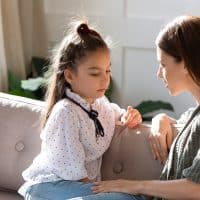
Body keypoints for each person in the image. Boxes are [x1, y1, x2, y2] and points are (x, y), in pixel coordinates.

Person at [18, 20, 142, 200]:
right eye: (94, 73)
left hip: (76, 187)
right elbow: (73, 172)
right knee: (125, 198)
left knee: (132, 197)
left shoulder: (100, 103)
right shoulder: (66, 112)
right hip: (47, 188)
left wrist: (128, 116)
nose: (105, 80)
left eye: (107, 71)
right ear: (69, 75)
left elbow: (113, 113)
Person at [92, 15, 200, 200]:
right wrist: (161, 119)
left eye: (163, 64)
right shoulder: (195, 114)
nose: (159, 73)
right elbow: (187, 128)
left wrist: (134, 186)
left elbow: (196, 189)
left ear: (185, 63)